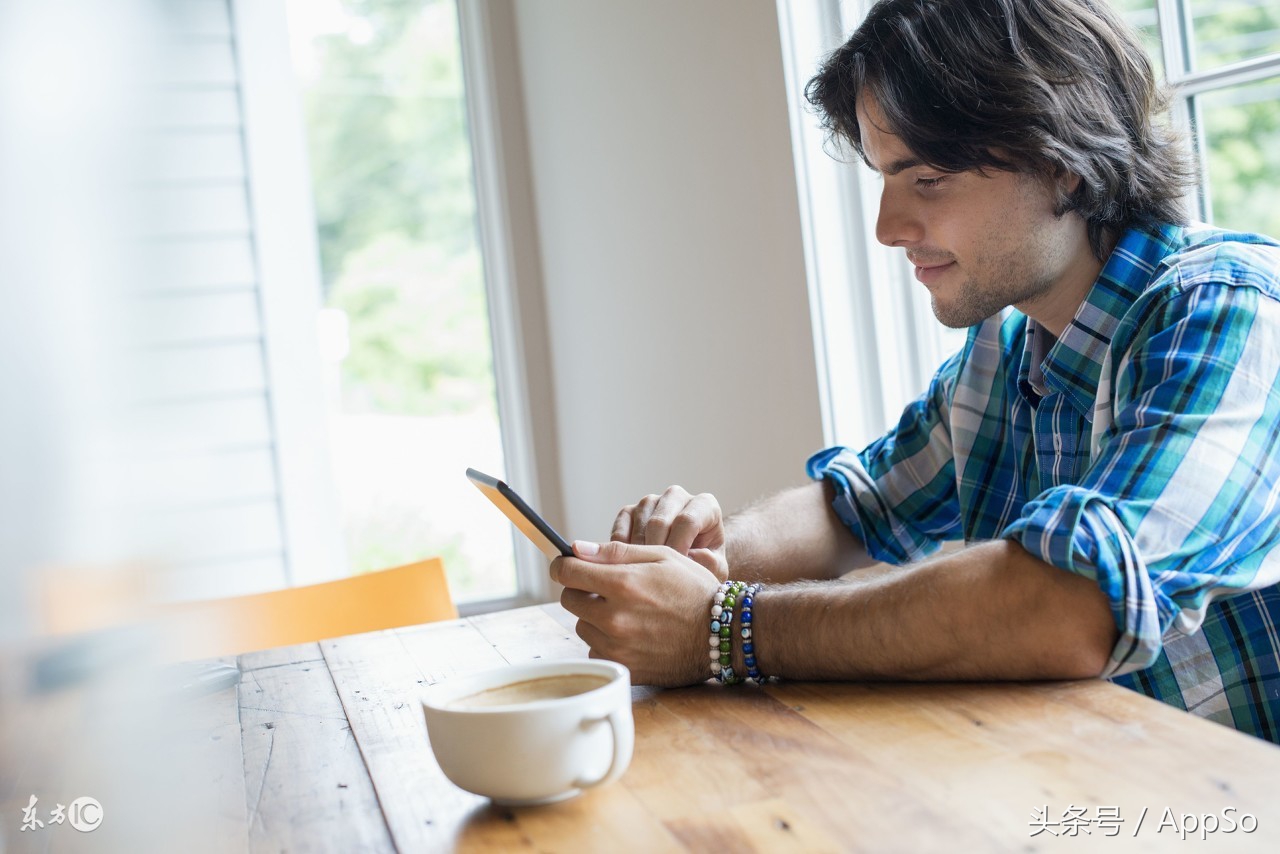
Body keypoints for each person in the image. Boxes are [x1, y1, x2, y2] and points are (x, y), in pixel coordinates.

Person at [549, 0, 1280, 743]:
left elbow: (1069, 605)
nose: (886, 228)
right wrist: (697, 558)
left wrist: (720, 627)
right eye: (884, 178)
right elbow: (857, 508)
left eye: (926, 178)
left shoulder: (1229, 312)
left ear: (1062, 163)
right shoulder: (1005, 343)